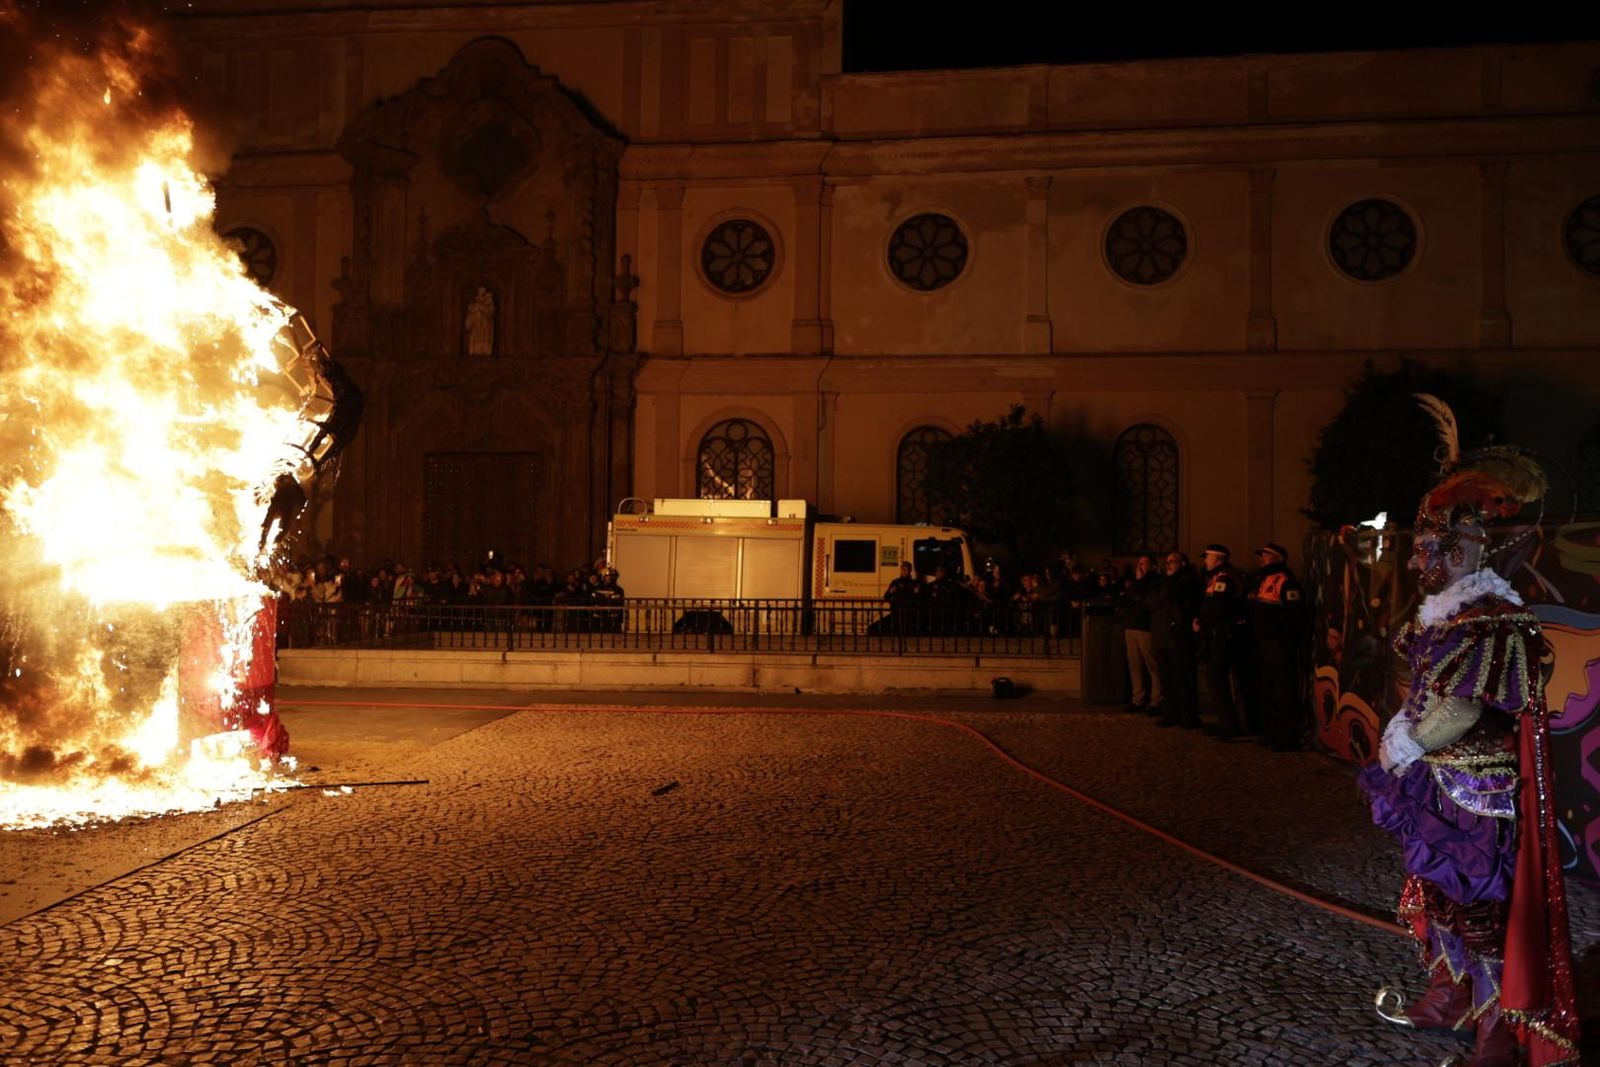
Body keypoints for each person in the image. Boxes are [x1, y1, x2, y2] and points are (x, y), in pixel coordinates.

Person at [1362, 401, 1577, 1066]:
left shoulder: (1488, 619)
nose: (1424, 557)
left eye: (1437, 547)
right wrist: (1407, 735)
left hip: (1476, 791)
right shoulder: (1446, 613)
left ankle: (1495, 1038)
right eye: (1423, 545)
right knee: (1443, 898)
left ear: (1470, 549)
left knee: (1481, 912)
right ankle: (1449, 1001)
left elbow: (1456, 706)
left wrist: (1405, 741)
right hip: (1438, 783)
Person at [1247, 543, 1307, 751]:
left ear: (1279, 559)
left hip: (1281, 645)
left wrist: (1291, 640)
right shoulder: (1263, 580)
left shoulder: (1287, 583)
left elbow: (1296, 616)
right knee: (1269, 689)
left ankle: (1289, 736)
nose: (1262, 558)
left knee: (1284, 690)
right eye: (1262, 555)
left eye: (1266, 555)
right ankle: (1273, 732)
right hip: (1265, 643)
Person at [1194, 543, 1252, 740]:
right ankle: (1226, 721)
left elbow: (1218, 607)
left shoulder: (1224, 578)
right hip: (1219, 632)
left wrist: (1203, 623)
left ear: (1218, 559)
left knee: (1215, 676)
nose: (1205, 560)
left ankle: (1229, 724)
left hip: (1225, 633)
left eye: (1208, 557)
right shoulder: (1216, 577)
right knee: (1215, 677)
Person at [1150, 551, 1200, 728]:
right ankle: (1172, 713)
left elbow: (1168, 597)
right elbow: (1152, 600)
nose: (1168, 564)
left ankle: (1189, 716)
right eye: (1167, 561)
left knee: (1182, 678)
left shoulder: (1186, 581)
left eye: (1173, 561)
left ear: (1183, 564)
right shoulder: (1166, 581)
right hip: (1164, 636)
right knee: (1168, 679)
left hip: (1178, 637)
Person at [1117, 554, 1162, 715]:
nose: (1140, 566)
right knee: (1134, 666)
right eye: (1139, 563)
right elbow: (1127, 600)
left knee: (1152, 665)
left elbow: (1145, 600)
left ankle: (1156, 700)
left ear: (1152, 566)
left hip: (1145, 627)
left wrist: (1139, 585)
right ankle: (1138, 699)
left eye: (1143, 563)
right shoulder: (1136, 582)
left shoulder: (1155, 581)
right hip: (1131, 627)